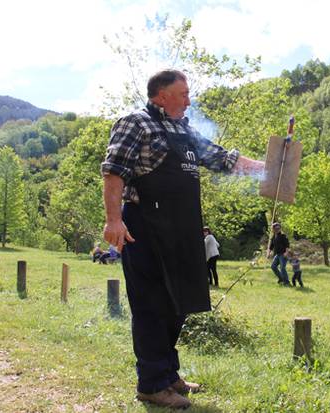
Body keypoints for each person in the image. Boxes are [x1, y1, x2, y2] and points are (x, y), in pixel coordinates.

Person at [101, 69, 265, 409]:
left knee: (177, 303)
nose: (189, 100)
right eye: (183, 93)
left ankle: (168, 375)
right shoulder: (135, 123)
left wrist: (267, 167)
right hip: (143, 227)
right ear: (160, 95)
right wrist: (113, 219)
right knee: (150, 307)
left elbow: (222, 158)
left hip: (181, 228)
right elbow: (114, 170)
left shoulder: (184, 129)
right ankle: (151, 385)